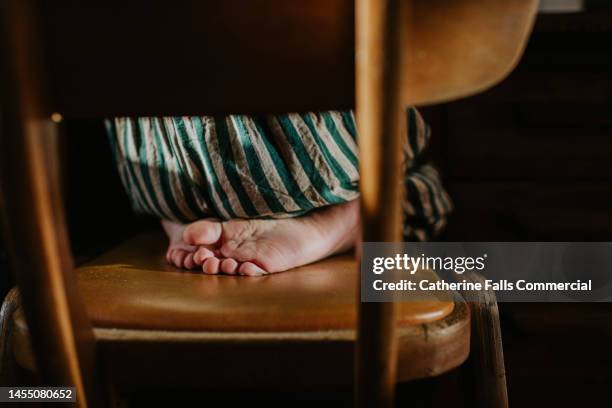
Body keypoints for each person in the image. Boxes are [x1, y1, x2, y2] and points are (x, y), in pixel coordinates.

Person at [105, 109, 451, 276]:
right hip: (326, 164)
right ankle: (354, 214)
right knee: (395, 176)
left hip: (160, 171)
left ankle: (184, 214)